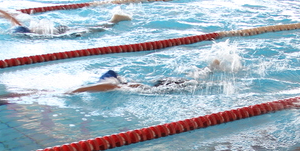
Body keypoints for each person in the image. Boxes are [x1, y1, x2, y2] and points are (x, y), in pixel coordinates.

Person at [0, 3, 131, 37]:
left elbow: (11, 18)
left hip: (58, 34)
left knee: (92, 30)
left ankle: (114, 20)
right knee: (89, 28)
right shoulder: (22, 29)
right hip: (59, 29)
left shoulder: (27, 35)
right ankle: (113, 20)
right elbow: (11, 17)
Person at [70, 63, 222, 93]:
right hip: (159, 84)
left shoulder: (119, 85)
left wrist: (78, 90)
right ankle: (211, 67)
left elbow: (110, 86)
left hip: (160, 87)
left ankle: (212, 68)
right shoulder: (122, 83)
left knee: (202, 84)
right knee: (197, 81)